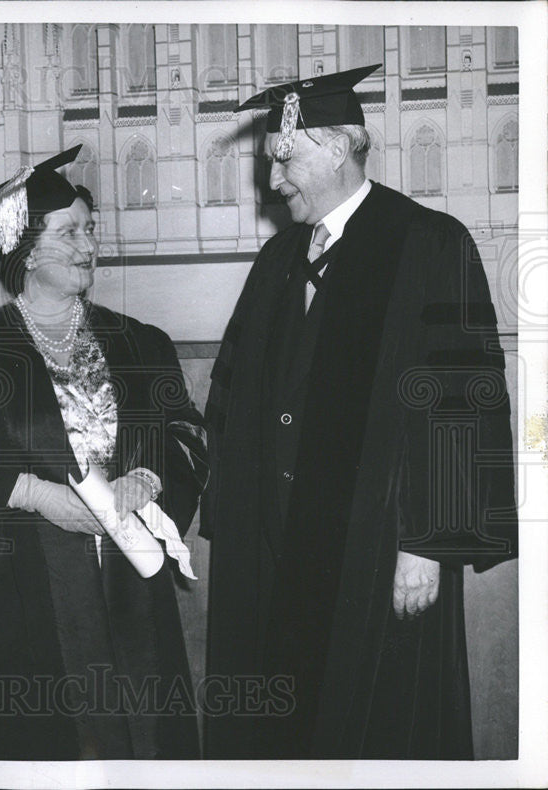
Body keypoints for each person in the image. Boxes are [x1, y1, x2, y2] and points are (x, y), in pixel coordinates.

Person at [201, 65, 518, 759]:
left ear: (340, 146)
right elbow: (234, 398)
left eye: (285, 158)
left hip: (378, 548)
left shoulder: (428, 243)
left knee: (376, 722)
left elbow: (462, 400)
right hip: (278, 547)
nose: (273, 179)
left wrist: (428, 542)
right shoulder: (277, 260)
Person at [0, 146, 207, 760]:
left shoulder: (140, 344)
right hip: (17, 593)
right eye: (68, 232)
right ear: (23, 248)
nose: (88, 245)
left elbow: (187, 431)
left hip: (128, 581)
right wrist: (34, 494)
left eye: (89, 229)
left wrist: (147, 479)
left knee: (137, 742)